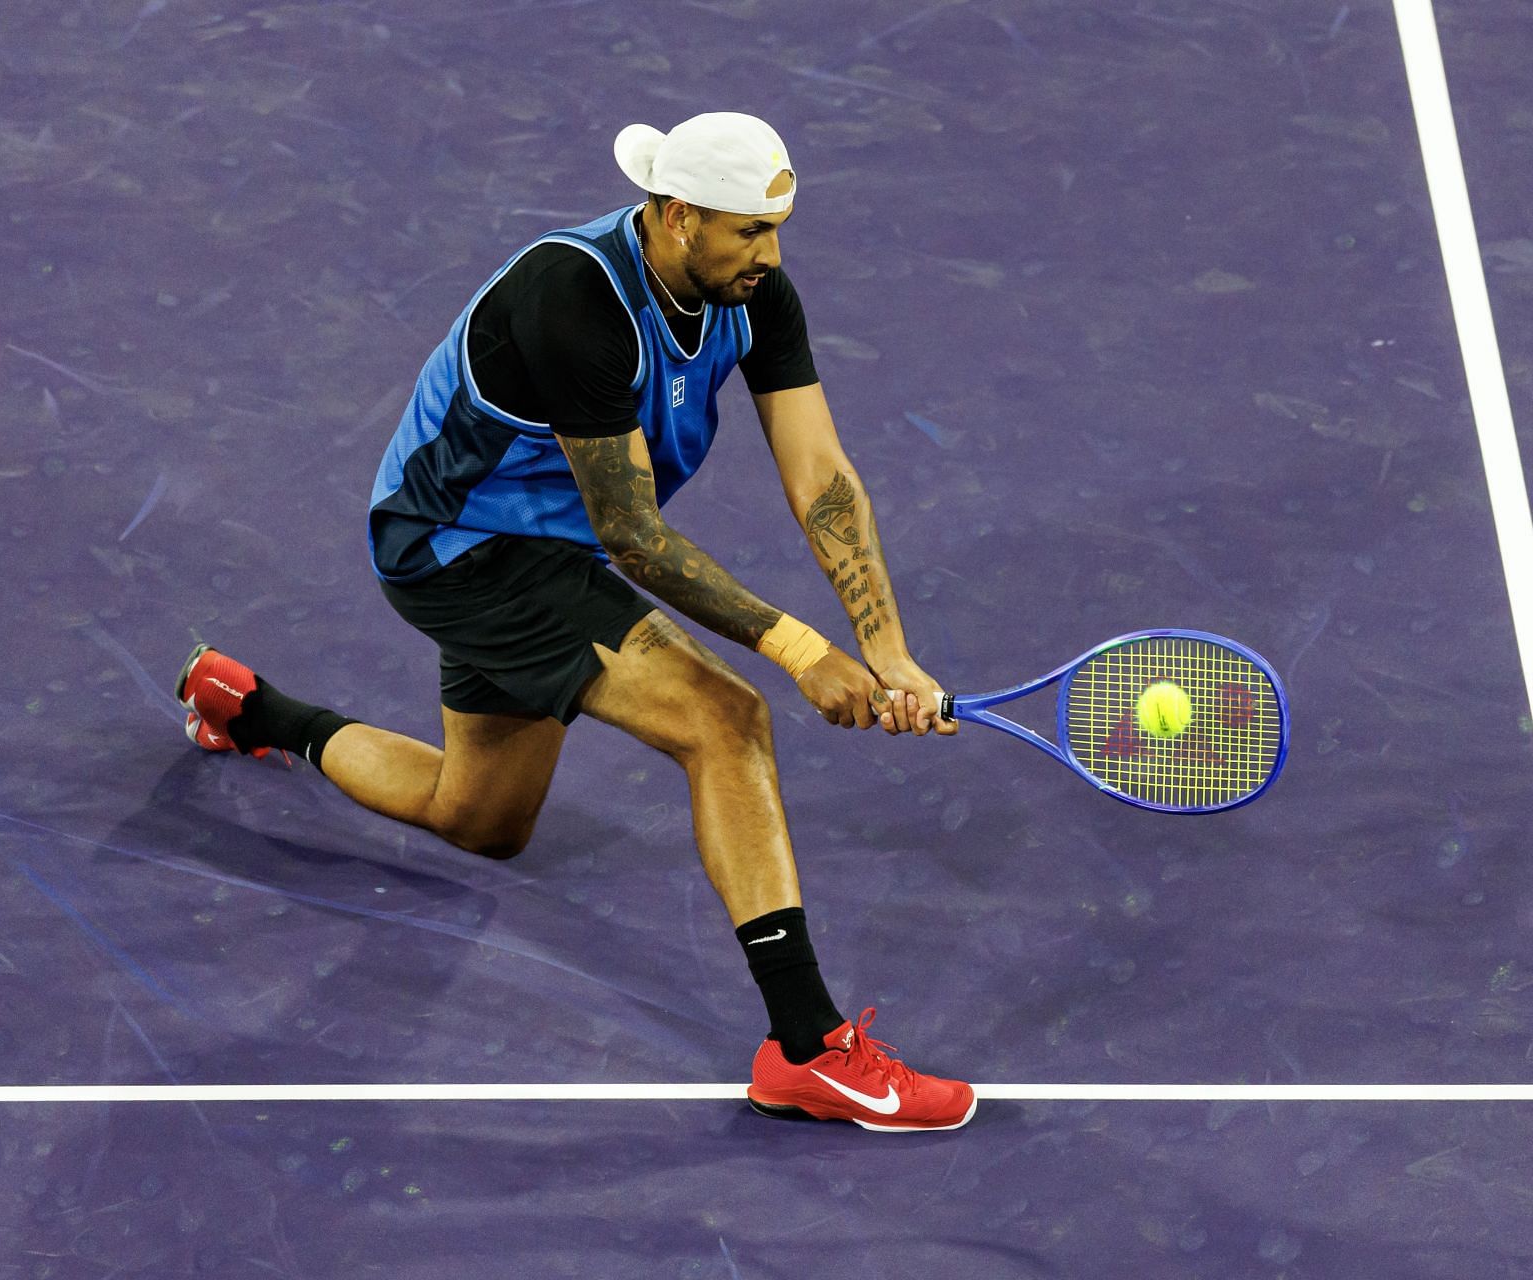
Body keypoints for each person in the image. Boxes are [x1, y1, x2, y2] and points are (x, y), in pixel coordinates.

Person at [176, 112, 975, 1132]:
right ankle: (809, 1048)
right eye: (748, 232)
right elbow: (634, 536)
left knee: (480, 819)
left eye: (778, 230)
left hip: (548, 550)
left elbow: (821, 476)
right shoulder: (576, 297)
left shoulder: (753, 294)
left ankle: (255, 712)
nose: (770, 257)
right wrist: (801, 650)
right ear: (678, 215)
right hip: (460, 547)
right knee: (725, 720)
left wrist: (886, 646)